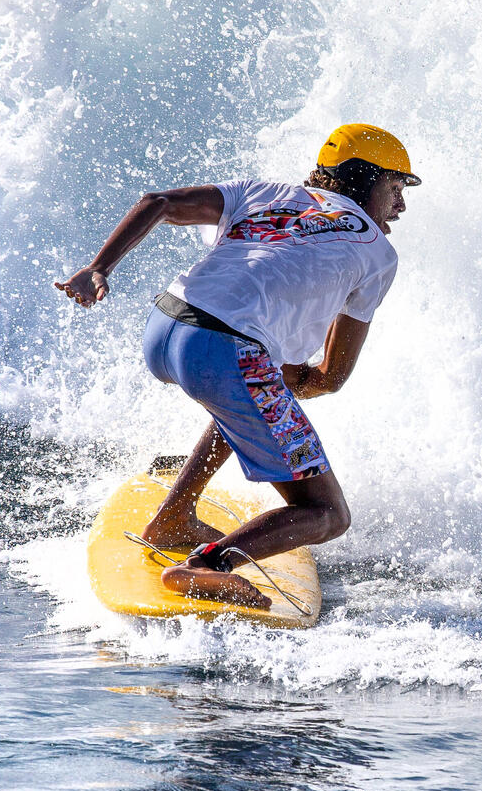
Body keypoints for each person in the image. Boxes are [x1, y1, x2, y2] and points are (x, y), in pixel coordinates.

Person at [56, 123, 418, 609]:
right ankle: (206, 566)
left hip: (164, 327)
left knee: (259, 391)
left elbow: (158, 202)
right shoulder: (378, 252)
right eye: (394, 188)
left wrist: (99, 267)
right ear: (362, 179)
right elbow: (331, 374)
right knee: (328, 512)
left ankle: (174, 517)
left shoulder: (264, 191)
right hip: (225, 351)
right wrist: (295, 382)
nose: (399, 206)